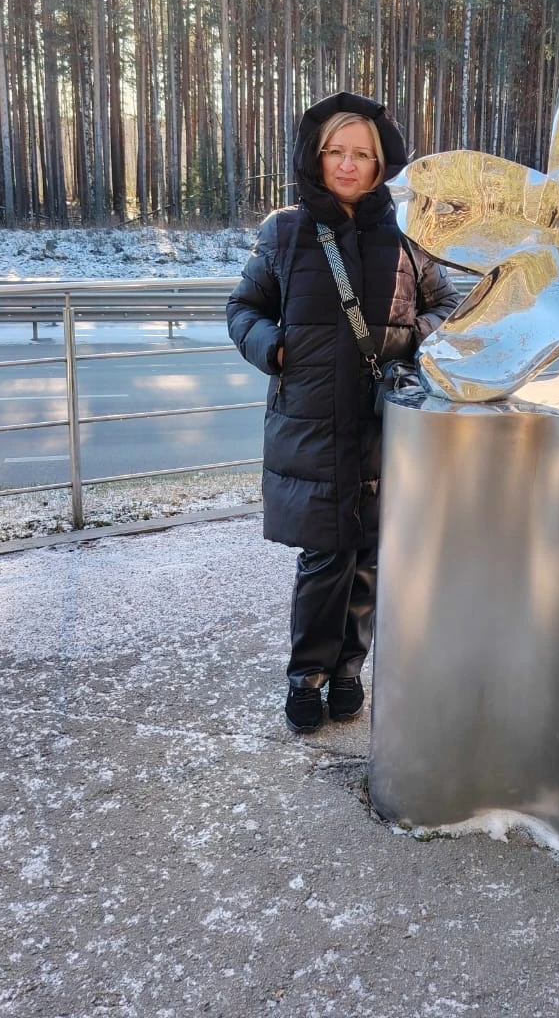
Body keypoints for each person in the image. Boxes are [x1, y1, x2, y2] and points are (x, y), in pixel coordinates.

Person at [226, 92, 459, 733]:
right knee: (324, 556)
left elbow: (448, 309)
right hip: (310, 421)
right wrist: (270, 346)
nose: (349, 165)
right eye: (337, 152)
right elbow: (242, 308)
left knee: (369, 554)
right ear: (317, 156)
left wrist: (410, 342)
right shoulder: (285, 231)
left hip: (386, 421)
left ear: (382, 163)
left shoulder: (409, 239)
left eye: (363, 154)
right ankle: (307, 675)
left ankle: (350, 669)